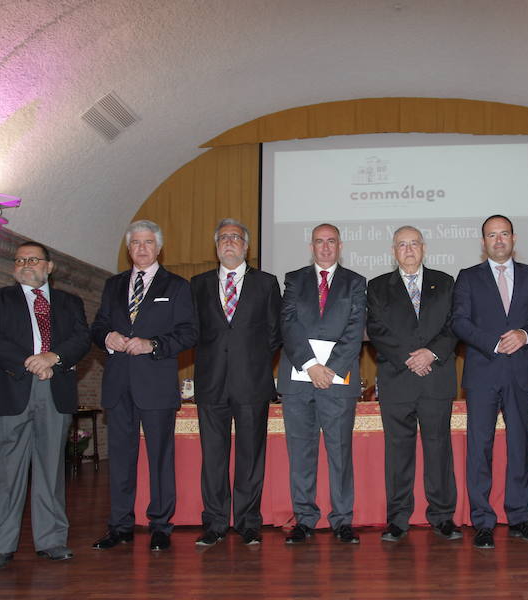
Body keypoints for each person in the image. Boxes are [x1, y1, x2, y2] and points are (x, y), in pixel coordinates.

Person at [0, 241, 91, 570]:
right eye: (20, 259)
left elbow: (82, 339)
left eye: (34, 259)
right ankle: (1, 546)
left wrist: (52, 357)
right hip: (11, 390)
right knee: (5, 473)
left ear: (49, 266)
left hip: (54, 390)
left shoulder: (70, 302)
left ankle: (52, 540)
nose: (26, 264)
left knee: (50, 468)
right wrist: (31, 362)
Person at [91, 220, 197, 552]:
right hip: (119, 384)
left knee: (160, 458)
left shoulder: (177, 286)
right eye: (135, 242)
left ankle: (161, 525)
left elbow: (189, 332)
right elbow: (99, 326)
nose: (141, 248)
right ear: (128, 247)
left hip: (156, 385)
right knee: (120, 459)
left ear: (159, 247)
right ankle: (120, 525)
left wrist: (153, 345)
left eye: (148, 242)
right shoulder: (113, 285)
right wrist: (107, 338)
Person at [452, 214, 528, 549]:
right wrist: (493, 342)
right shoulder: (468, 277)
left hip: (521, 373)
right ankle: (483, 521)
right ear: (483, 243)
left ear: (514, 238)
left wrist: (525, 334)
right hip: (482, 372)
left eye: (503, 234)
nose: (498, 240)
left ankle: (520, 517)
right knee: (480, 449)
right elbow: (459, 323)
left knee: (519, 447)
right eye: (491, 235)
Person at [190, 219, 282, 547]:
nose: (229, 242)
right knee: (213, 457)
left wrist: (251, 361)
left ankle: (247, 522)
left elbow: (274, 334)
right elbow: (194, 330)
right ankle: (214, 523)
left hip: (251, 382)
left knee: (250, 455)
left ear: (246, 246)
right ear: (216, 246)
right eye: (224, 238)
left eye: (236, 238)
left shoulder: (267, 283)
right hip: (211, 382)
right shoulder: (197, 284)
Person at [366, 226, 461, 542]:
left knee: (439, 450)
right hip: (398, 379)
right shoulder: (378, 286)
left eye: (414, 243)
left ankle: (443, 516)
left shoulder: (445, 282)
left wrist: (430, 354)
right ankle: (397, 519)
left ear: (424, 247)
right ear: (393, 250)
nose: (408, 249)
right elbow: (376, 330)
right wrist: (408, 358)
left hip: (436, 379)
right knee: (398, 453)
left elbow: (454, 326)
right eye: (401, 244)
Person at [278, 223, 366, 544]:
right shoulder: (293, 279)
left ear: (340, 246)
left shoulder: (355, 283)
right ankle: (305, 519)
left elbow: (355, 329)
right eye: (319, 242)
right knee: (301, 453)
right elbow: (287, 324)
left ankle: (342, 520)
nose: (325, 247)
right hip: (299, 378)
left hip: (337, 381)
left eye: (331, 242)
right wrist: (311, 364)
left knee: (340, 452)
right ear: (311, 246)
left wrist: (328, 369)